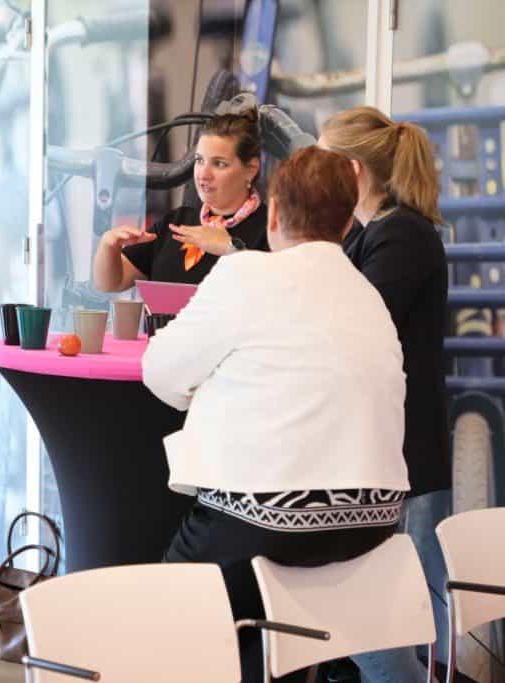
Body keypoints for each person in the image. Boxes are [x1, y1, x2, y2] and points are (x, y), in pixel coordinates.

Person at [143, 147, 412, 682]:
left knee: (168, 619)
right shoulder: (366, 293)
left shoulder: (246, 273)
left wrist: (206, 391)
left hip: (270, 517)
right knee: (263, 628)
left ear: (271, 216)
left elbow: (160, 370)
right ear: (346, 222)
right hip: (371, 523)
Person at [319, 106, 449, 682]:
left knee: (391, 626)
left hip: (404, 457)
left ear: (350, 171)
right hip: (390, 454)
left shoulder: (400, 234)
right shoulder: (375, 233)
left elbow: (357, 321)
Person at [93, 110, 268, 293]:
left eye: (219, 164)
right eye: (199, 160)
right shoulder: (176, 222)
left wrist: (230, 249)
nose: (203, 174)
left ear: (251, 169)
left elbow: (278, 293)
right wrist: (108, 246)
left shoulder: (269, 229)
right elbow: (111, 283)